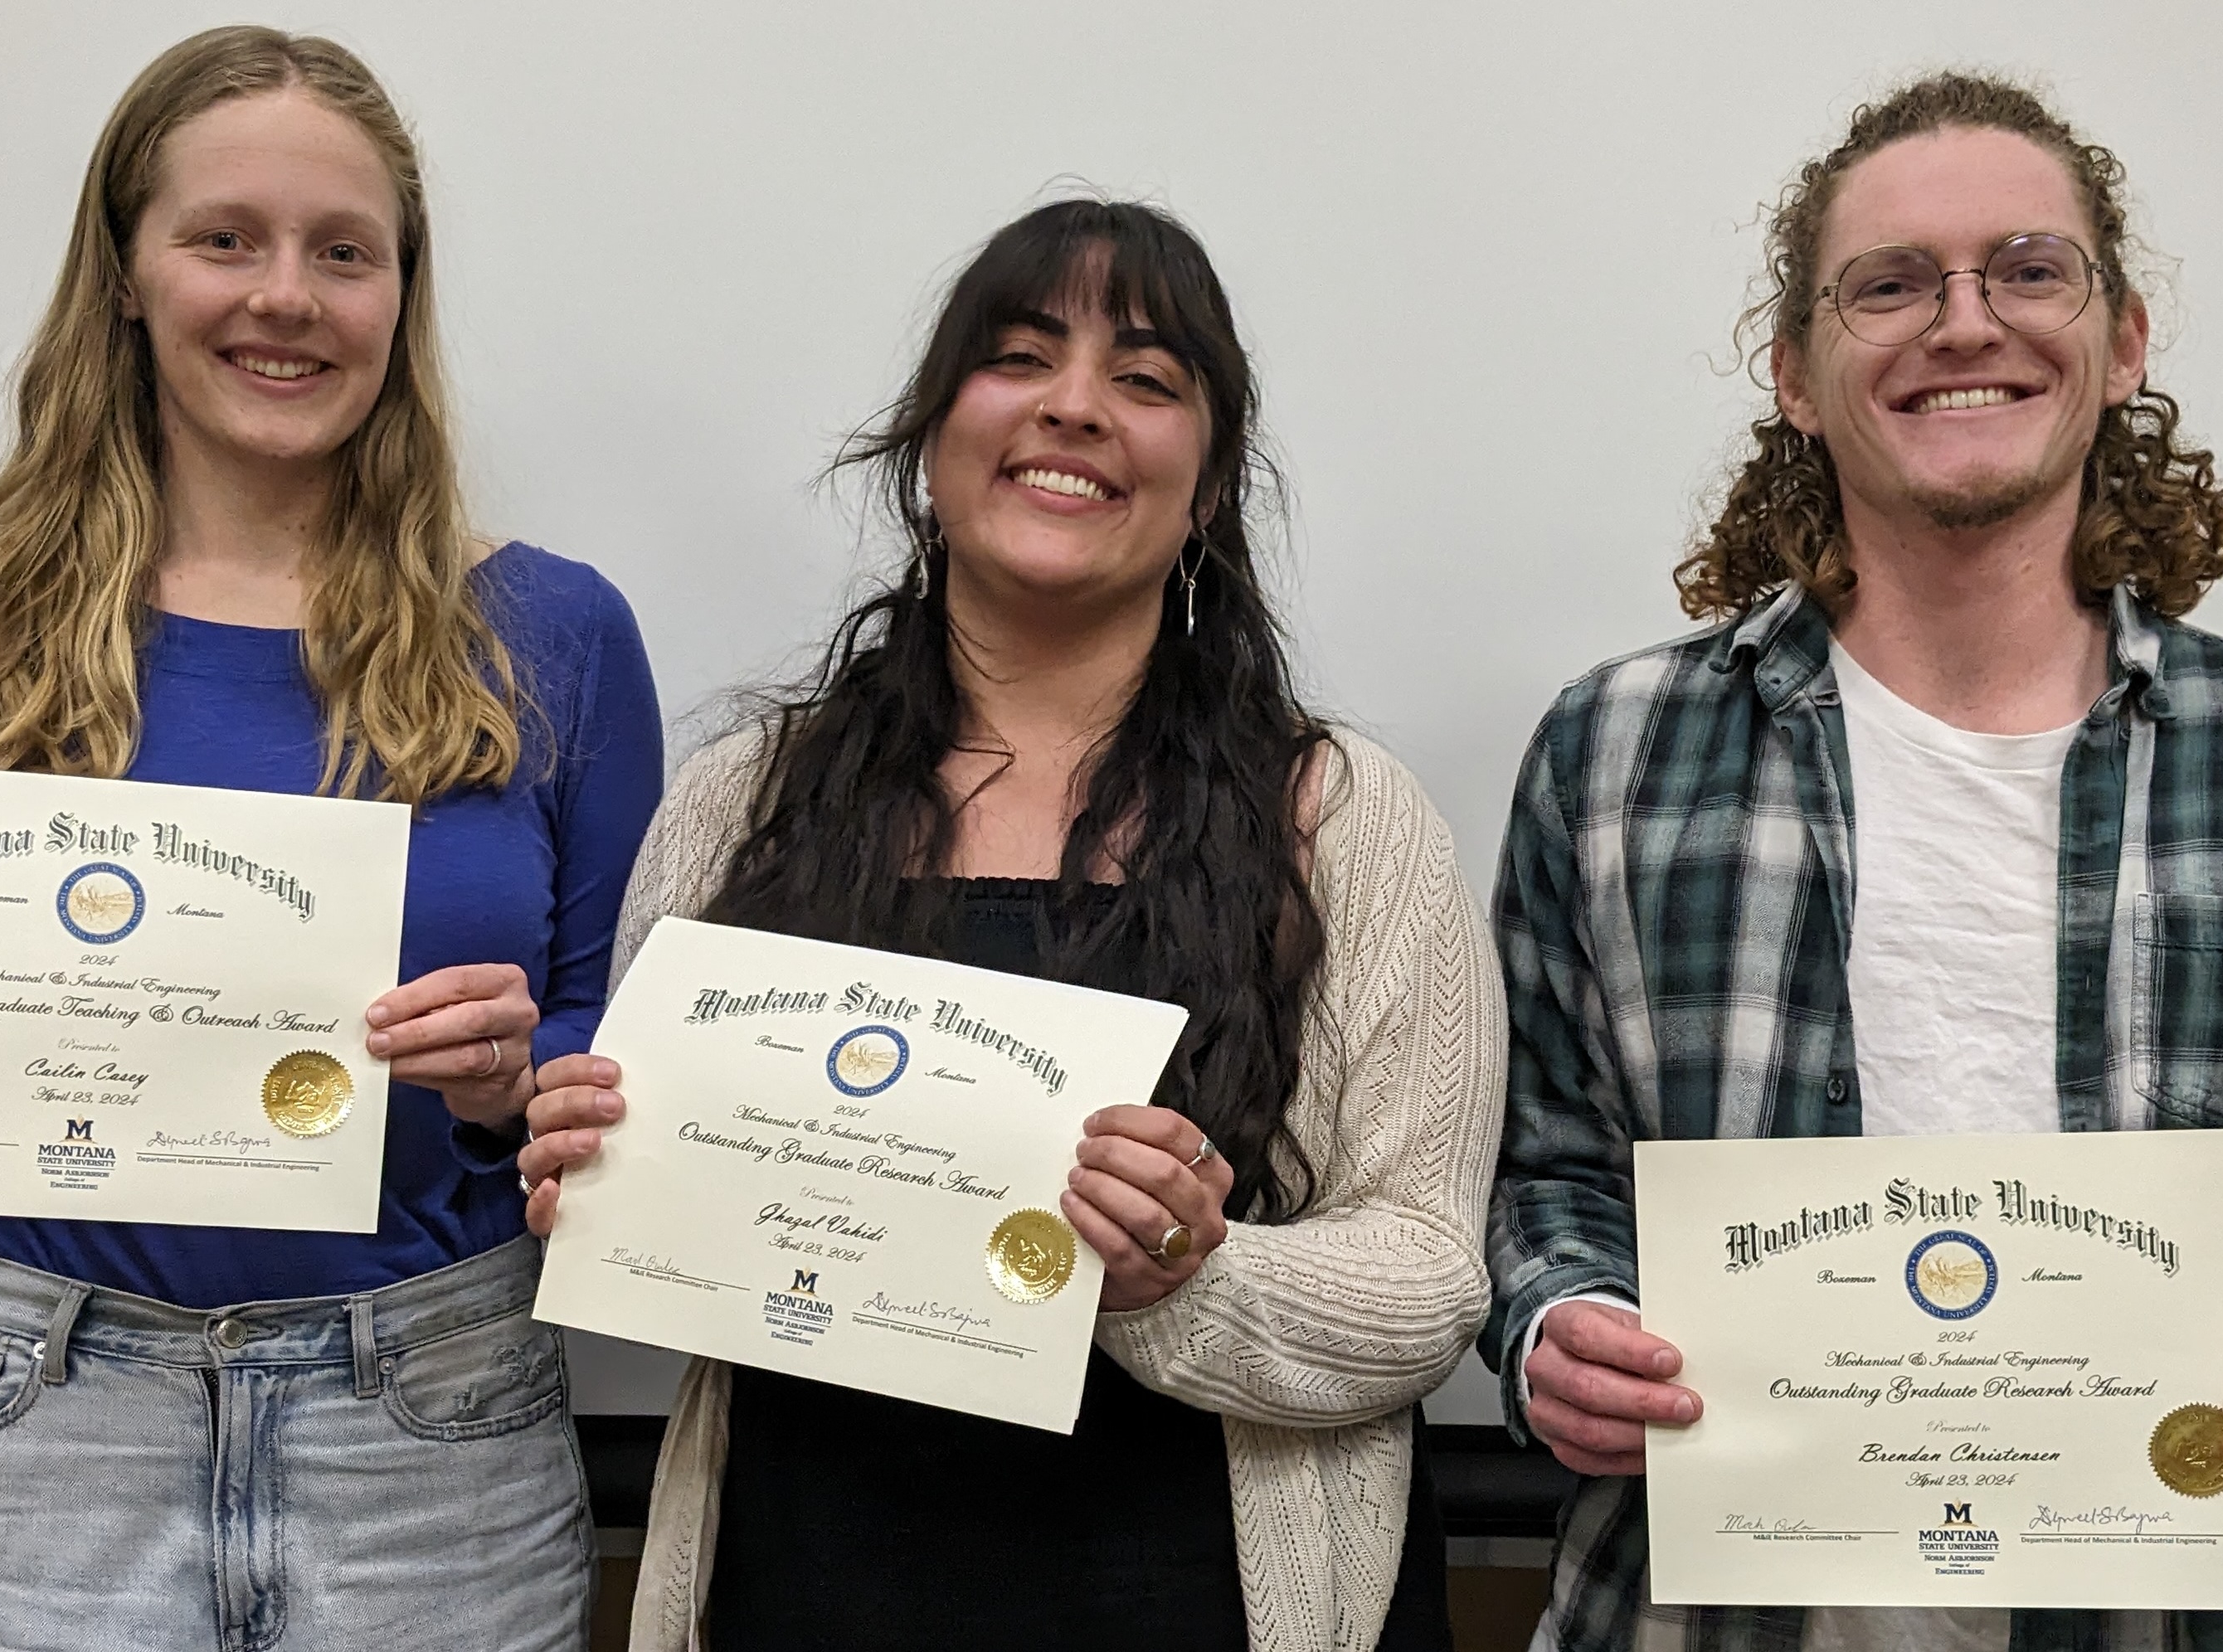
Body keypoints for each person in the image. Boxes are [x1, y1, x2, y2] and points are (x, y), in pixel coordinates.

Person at [0, 27, 661, 1650]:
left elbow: (614, 1053)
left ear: (401, 296)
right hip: (37, 1427)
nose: (287, 296)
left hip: (433, 1434)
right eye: (226, 240)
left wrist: (516, 1085)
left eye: (345, 254)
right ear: (124, 274)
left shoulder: (550, 633)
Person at [1481, 72, 2223, 1651]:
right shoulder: (1612, 754)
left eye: (2028, 270)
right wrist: (1553, 1322)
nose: (1965, 325)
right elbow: (1545, 1170)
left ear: (2124, 339)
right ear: (1797, 376)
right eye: (1889, 285)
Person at [512, 198, 1507, 1652]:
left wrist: (1188, 1276)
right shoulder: (746, 801)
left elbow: (1428, 1276)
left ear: (1212, 483)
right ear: (932, 441)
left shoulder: (1344, 820)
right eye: (1021, 357)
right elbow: (673, 1265)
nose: (1076, 406)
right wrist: (600, 1177)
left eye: (1148, 379)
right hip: (810, 1592)